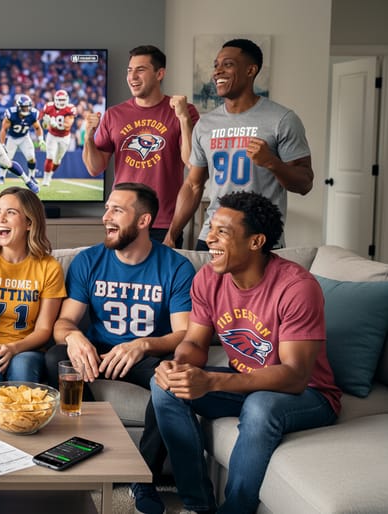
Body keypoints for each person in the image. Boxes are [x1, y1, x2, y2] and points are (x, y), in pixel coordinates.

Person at [151, 191, 341, 514]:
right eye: (211, 228)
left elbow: (295, 375)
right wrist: (178, 365)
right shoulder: (207, 279)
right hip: (250, 382)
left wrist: (210, 382)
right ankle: (198, 505)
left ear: (256, 242)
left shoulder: (297, 288)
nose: (209, 238)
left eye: (222, 232)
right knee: (164, 387)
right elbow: (196, 343)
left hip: (310, 394)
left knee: (260, 405)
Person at [47, 182, 194, 514]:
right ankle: (89, 453)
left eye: (117, 210)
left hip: (147, 355)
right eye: (106, 208)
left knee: (168, 382)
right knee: (55, 356)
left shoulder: (176, 266)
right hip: (99, 351)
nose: (105, 218)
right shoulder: (88, 260)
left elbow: (184, 333)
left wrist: (142, 345)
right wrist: (74, 337)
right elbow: (63, 323)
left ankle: (144, 477)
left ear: (143, 221)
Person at [164, 39, 313, 251]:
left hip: (258, 237)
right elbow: (193, 185)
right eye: (216, 65)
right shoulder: (205, 124)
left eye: (228, 64)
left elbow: (305, 183)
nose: (218, 72)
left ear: (251, 70)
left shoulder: (282, 119)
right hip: (212, 234)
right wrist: (172, 234)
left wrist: (271, 162)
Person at [83, 45, 198, 247]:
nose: (132, 76)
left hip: (163, 222)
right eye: (129, 70)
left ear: (160, 73)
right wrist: (89, 137)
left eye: (141, 70)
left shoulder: (184, 111)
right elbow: (95, 167)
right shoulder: (113, 114)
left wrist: (183, 119)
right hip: (121, 217)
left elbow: (190, 161)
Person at [0, 187, 65, 401]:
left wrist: (13, 348)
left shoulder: (49, 267)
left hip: (26, 349)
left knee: (23, 363)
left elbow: (44, 330)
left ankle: (21, 426)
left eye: (11, 212)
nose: (1, 219)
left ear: (29, 223)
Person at [0, 94, 45, 182]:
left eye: (27, 107)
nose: (26, 109)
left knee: (31, 157)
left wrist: (41, 139)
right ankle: (2, 177)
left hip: (24, 137)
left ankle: (32, 176)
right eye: (24, 107)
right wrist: (2, 143)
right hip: (12, 138)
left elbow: (38, 128)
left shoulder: (33, 114)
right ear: (18, 106)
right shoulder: (11, 114)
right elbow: (4, 129)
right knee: (6, 159)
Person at [39, 89, 76, 187]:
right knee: (50, 156)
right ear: (55, 100)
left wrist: (55, 125)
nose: (61, 102)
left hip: (64, 137)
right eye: (59, 100)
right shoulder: (48, 107)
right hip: (52, 136)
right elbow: (44, 126)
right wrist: (46, 123)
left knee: (57, 160)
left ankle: (50, 174)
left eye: (63, 100)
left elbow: (68, 125)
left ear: (67, 100)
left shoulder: (70, 108)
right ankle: (46, 179)